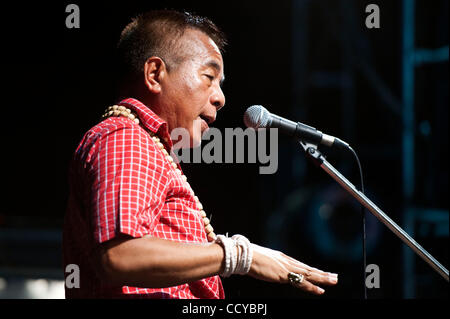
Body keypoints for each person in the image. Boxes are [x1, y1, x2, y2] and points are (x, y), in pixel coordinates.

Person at [63, 9, 338, 299]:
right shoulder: (126, 138)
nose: (220, 97)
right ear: (155, 74)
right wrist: (241, 256)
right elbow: (119, 254)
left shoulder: (148, 145)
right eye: (209, 76)